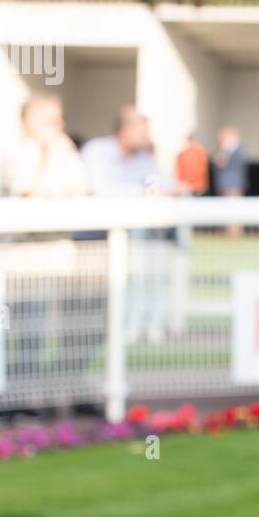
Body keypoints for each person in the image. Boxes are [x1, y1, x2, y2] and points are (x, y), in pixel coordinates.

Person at [0, 95, 94, 424]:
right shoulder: (17, 152)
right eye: (50, 120)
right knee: (12, 332)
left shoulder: (66, 152)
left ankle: (31, 399)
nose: (59, 127)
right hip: (19, 261)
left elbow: (78, 189)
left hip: (54, 258)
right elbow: (30, 191)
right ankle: (5, 403)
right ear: (29, 122)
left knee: (42, 334)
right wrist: (52, 177)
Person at [81, 107, 172, 346]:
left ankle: (143, 328)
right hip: (94, 240)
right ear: (126, 130)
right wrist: (142, 194)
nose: (147, 137)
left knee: (149, 277)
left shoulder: (144, 159)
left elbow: (158, 186)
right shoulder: (97, 151)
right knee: (92, 303)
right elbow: (100, 191)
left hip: (137, 237)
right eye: (143, 131)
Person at [214, 126, 249, 236]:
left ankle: (234, 232)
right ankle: (230, 231)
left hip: (233, 185)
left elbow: (221, 162)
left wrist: (224, 149)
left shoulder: (233, 149)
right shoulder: (229, 150)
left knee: (234, 209)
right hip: (228, 184)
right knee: (228, 209)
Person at [175, 131, 209, 196]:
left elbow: (203, 170)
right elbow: (179, 170)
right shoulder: (182, 154)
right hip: (188, 186)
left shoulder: (200, 153)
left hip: (196, 186)